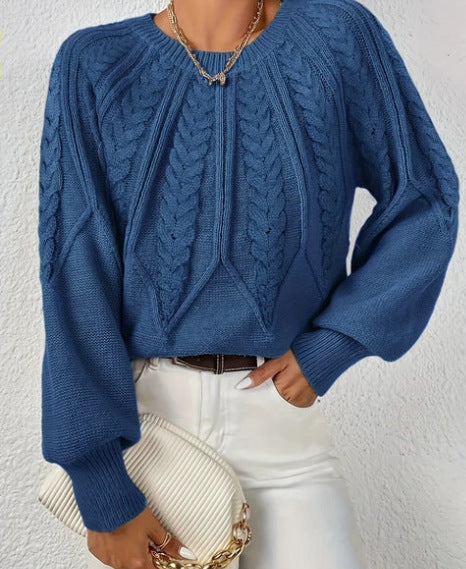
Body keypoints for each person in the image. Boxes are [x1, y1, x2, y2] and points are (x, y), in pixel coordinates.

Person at [37, 0, 459, 568]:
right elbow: (74, 275)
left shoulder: (336, 38)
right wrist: (100, 485)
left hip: (280, 429)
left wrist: (336, 343)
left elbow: (425, 200)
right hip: (148, 435)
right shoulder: (94, 63)